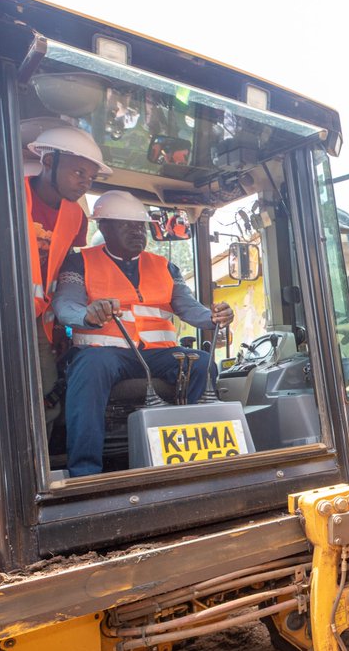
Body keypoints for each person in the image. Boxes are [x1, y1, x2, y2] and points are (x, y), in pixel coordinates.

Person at [52, 191, 234, 477]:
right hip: (105, 354)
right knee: (88, 368)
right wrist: (86, 315)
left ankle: (193, 461)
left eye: (140, 225)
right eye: (126, 225)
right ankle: (85, 473)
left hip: (156, 353)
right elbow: (65, 305)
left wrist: (212, 317)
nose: (137, 231)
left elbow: (188, 308)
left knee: (201, 362)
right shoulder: (79, 263)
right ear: (104, 227)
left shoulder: (164, 266)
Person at [25, 126, 112, 418]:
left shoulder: (76, 216)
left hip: (37, 317)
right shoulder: (7, 194)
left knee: (47, 396)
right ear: (49, 162)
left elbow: (62, 267)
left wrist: (63, 327)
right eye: (78, 173)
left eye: (91, 177)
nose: (86, 183)